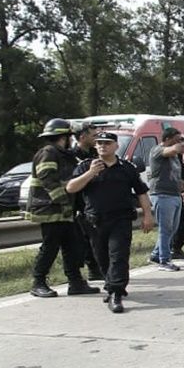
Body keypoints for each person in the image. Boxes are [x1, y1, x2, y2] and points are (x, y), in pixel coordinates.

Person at [67, 132, 154, 314]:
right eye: (99, 143)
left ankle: (115, 292)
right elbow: (71, 188)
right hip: (95, 221)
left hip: (120, 220)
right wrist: (91, 173)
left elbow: (141, 192)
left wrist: (147, 215)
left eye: (107, 143)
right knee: (102, 258)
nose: (102, 146)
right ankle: (112, 284)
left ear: (115, 146)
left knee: (118, 256)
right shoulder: (86, 166)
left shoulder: (126, 168)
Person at [25, 118, 100, 298]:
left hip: (64, 210)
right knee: (50, 247)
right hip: (50, 210)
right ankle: (38, 282)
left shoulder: (63, 154)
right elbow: (48, 180)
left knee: (73, 246)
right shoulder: (48, 153)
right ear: (64, 137)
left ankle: (75, 282)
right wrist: (64, 203)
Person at [148, 127, 184, 271]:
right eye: (177, 139)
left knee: (173, 228)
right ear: (168, 139)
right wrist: (180, 144)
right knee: (165, 229)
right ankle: (164, 261)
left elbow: (176, 177)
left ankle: (156, 254)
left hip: (174, 194)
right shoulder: (157, 150)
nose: (180, 142)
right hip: (162, 194)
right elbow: (170, 150)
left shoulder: (175, 157)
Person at [70, 122, 104, 281]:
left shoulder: (95, 154)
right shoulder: (71, 156)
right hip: (79, 204)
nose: (96, 138)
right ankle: (91, 269)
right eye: (93, 135)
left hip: (95, 202)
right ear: (82, 137)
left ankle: (98, 269)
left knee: (97, 239)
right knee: (84, 241)